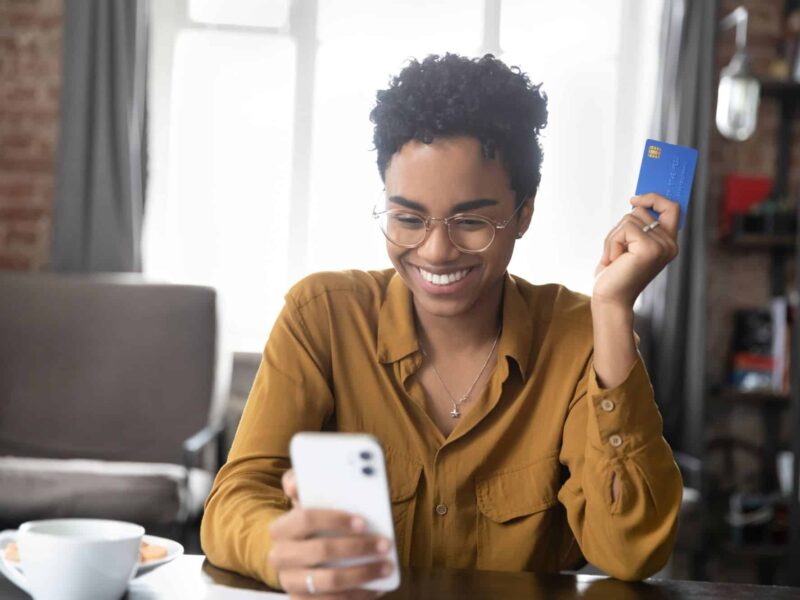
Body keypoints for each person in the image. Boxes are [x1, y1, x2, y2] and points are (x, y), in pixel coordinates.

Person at [201, 53, 683, 598]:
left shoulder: (578, 337)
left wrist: (615, 309)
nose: (435, 250)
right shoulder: (322, 317)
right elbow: (235, 500)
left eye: (471, 221)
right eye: (407, 218)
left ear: (524, 213)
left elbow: (632, 550)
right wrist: (276, 547)